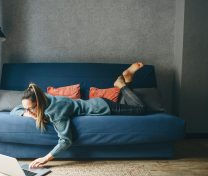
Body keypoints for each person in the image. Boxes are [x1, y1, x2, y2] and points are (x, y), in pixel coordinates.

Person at [10, 62, 146, 168]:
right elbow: (14, 110)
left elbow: (66, 140)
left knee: (140, 109)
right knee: (126, 105)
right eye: (26, 108)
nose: (28, 110)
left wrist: (44, 158)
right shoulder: (42, 98)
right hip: (96, 103)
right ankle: (127, 79)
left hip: (102, 107)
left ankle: (121, 85)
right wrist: (27, 114)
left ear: (38, 103)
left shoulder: (55, 111)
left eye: (30, 108)